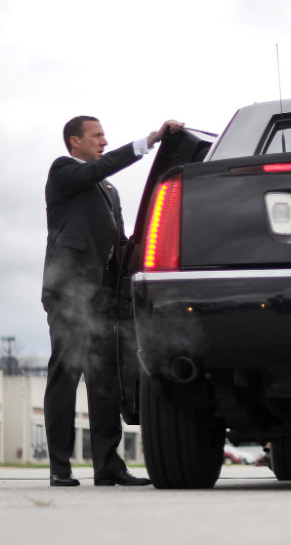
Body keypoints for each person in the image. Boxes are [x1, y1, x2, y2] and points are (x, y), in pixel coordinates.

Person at [43, 115, 183, 486]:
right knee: (66, 375)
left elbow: (119, 242)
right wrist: (149, 141)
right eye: (97, 135)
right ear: (75, 142)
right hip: (70, 293)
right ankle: (60, 467)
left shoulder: (109, 189)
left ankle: (107, 466)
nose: (103, 140)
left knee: (106, 382)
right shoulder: (64, 172)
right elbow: (98, 169)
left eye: (105, 135)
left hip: (102, 299)